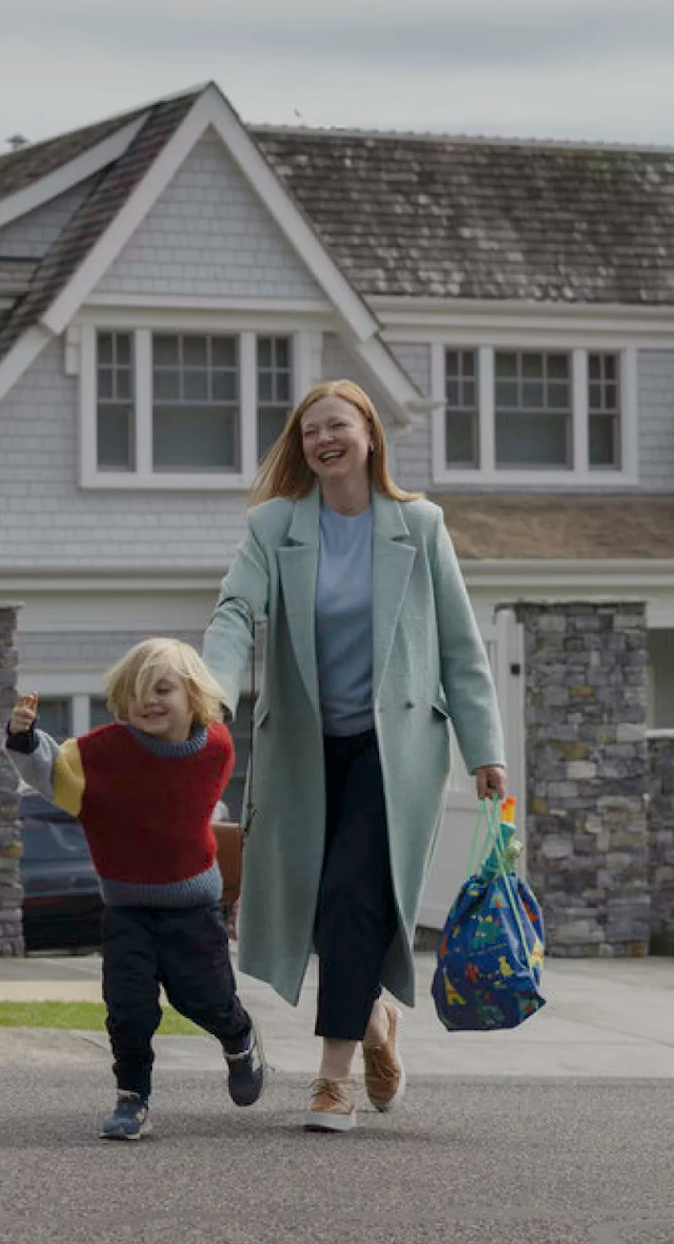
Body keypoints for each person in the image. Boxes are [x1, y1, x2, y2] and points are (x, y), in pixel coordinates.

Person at [202, 378, 506, 1133]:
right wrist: (208, 687)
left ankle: (331, 1081)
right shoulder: (275, 527)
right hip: (304, 751)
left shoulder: (419, 524)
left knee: (350, 895)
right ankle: (374, 1019)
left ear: (369, 434)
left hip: (395, 751)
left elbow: (463, 651)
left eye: (336, 426)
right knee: (319, 906)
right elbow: (236, 609)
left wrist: (484, 747)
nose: (322, 441)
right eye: (310, 432)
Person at [6, 638, 266, 1141]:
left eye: (163, 689)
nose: (149, 701)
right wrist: (24, 738)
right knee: (128, 1009)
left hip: (193, 907)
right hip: (126, 909)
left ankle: (239, 1038)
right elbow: (54, 773)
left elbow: (179, 782)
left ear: (193, 696)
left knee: (205, 999)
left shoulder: (215, 749)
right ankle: (132, 1097)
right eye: (137, 691)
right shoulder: (102, 752)